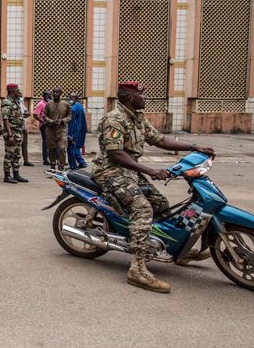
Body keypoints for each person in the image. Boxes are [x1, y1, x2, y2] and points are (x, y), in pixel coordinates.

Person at [92, 81, 215, 293]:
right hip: (110, 172)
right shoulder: (115, 119)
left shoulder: (137, 117)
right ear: (131, 98)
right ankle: (137, 269)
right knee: (143, 209)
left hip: (130, 171)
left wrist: (194, 146)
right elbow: (115, 153)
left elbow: (159, 139)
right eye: (142, 94)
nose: (145, 97)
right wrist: (150, 170)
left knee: (162, 204)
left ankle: (176, 248)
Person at [0, 83, 29, 184]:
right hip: (11, 133)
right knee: (9, 155)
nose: (18, 92)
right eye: (17, 90)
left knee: (16, 155)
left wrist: (23, 115)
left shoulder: (15, 102)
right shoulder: (6, 102)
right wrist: (10, 134)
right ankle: (7, 176)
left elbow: (14, 115)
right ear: (12, 90)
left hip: (18, 132)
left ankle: (16, 174)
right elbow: (5, 119)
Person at [43, 86, 72, 170]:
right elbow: (44, 116)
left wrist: (63, 120)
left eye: (57, 92)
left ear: (61, 93)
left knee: (62, 148)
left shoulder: (66, 104)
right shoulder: (48, 104)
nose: (55, 94)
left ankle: (61, 168)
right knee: (51, 148)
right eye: (54, 92)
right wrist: (51, 121)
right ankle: (52, 167)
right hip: (50, 130)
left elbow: (70, 116)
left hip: (62, 129)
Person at [67, 92, 88, 170]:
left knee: (71, 148)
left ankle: (73, 166)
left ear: (76, 98)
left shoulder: (73, 108)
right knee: (76, 147)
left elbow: (72, 123)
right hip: (80, 130)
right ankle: (82, 162)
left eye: (72, 98)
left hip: (74, 131)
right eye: (70, 97)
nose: (70, 99)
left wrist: (70, 135)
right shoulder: (79, 105)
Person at [16, 88, 34, 167]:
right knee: (17, 145)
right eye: (20, 94)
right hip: (17, 128)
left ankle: (26, 160)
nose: (21, 96)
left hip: (24, 127)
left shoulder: (21, 104)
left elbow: (27, 112)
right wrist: (23, 114)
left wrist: (26, 113)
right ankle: (16, 161)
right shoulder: (13, 104)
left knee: (24, 144)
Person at [33, 90, 51, 166]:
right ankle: (45, 160)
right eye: (49, 95)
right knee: (45, 142)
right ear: (45, 96)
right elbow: (35, 115)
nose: (51, 96)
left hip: (50, 125)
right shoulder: (41, 104)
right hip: (44, 125)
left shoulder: (49, 103)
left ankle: (54, 158)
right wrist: (42, 121)